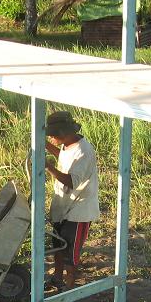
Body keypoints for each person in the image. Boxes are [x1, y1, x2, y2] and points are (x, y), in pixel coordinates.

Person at [44, 111, 99, 290]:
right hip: (63, 206)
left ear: (63, 132)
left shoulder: (84, 151)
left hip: (79, 209)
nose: (51, 137)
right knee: (58, 245)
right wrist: (44, 145)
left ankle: (69, 285)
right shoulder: (67, 146)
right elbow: (62, 156)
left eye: (52, 135)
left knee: (70, 251)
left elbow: (71, 181)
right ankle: (57, 278)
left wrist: (48, 167)